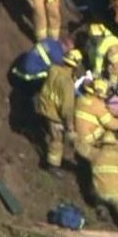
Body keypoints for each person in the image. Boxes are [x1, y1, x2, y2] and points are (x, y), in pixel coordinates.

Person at [35, 48, 82, 177]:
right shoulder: (68, 84)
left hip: (43, 106)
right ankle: (52, 165)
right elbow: (67, 108)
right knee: (57, 140)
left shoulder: (53, 69)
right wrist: (69, 124)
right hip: (53, 114)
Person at [74, 78, 118, 161]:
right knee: (112, 138)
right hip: (90, 139)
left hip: (79, 135)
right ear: (99, 94)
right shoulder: (97, 105)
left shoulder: (81, 99)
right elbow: (113, 125)